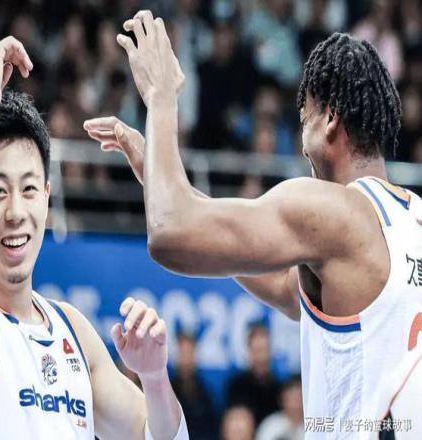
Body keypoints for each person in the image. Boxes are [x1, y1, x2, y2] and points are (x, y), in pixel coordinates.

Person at [84, 11, 422, 435]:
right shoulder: (410, 219)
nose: (302, 145)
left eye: (304, 121)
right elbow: (278, 283)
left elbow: (171, 232)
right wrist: (154, 175)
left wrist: (162, 97)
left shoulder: (335, 210)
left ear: (330, 118)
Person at [0, 36, 188, 439]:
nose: (16, 212)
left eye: (29, 189)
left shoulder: (73, 332)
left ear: (46, 198)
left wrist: (153, 377)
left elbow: (163, 435)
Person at [226, 324, 279, 425]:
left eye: (264, 350)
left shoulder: (278, 389)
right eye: (257, 350)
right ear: (249, 351)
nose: (261, 357)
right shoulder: (237, 386)